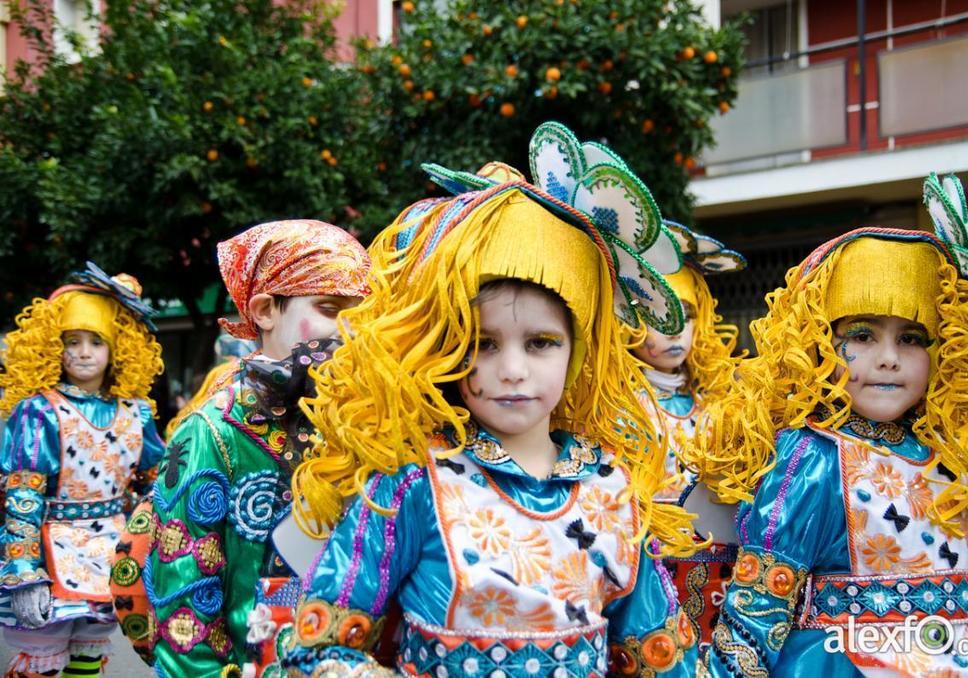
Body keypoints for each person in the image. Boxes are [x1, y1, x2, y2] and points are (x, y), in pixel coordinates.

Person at [284, 122, 704, 677]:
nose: (512, 370)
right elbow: (316, 650)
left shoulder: (612, 489)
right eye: (482, 343)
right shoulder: (413, 484)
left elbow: (661, 657)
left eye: (541, 343)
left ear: (578, 353)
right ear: (446, 347)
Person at [688, 173, 968, 675]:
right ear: (818, 343)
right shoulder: (812, 458)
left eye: (912, 338)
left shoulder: (957, 458)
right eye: (863, 335)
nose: (889, 359)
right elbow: (756, 622)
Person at [137, 220, 371, 677]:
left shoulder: (366, 422)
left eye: (361, 313)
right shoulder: (212, 432)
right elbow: (185, 609)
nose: (349, 330)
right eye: (329, 307)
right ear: (265, 311)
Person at [0, 264, 165, 678]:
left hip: (113, 555)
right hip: (48, 555)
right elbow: (22, 497)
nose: (84, 352)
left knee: (90, 656)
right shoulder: (37, 412)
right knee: (40, 661)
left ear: (119, 349)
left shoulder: (136, 413)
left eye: (97, 341)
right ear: (52, 347)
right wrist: (23, 573)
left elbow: (158, 489)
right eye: (72, 341)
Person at [632, 225, 746, 652]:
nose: (676, 328)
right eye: (658, 314)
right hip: (651, 573)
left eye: (687, 312)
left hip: (722, 577)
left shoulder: (722, 400)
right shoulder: (614, 404)